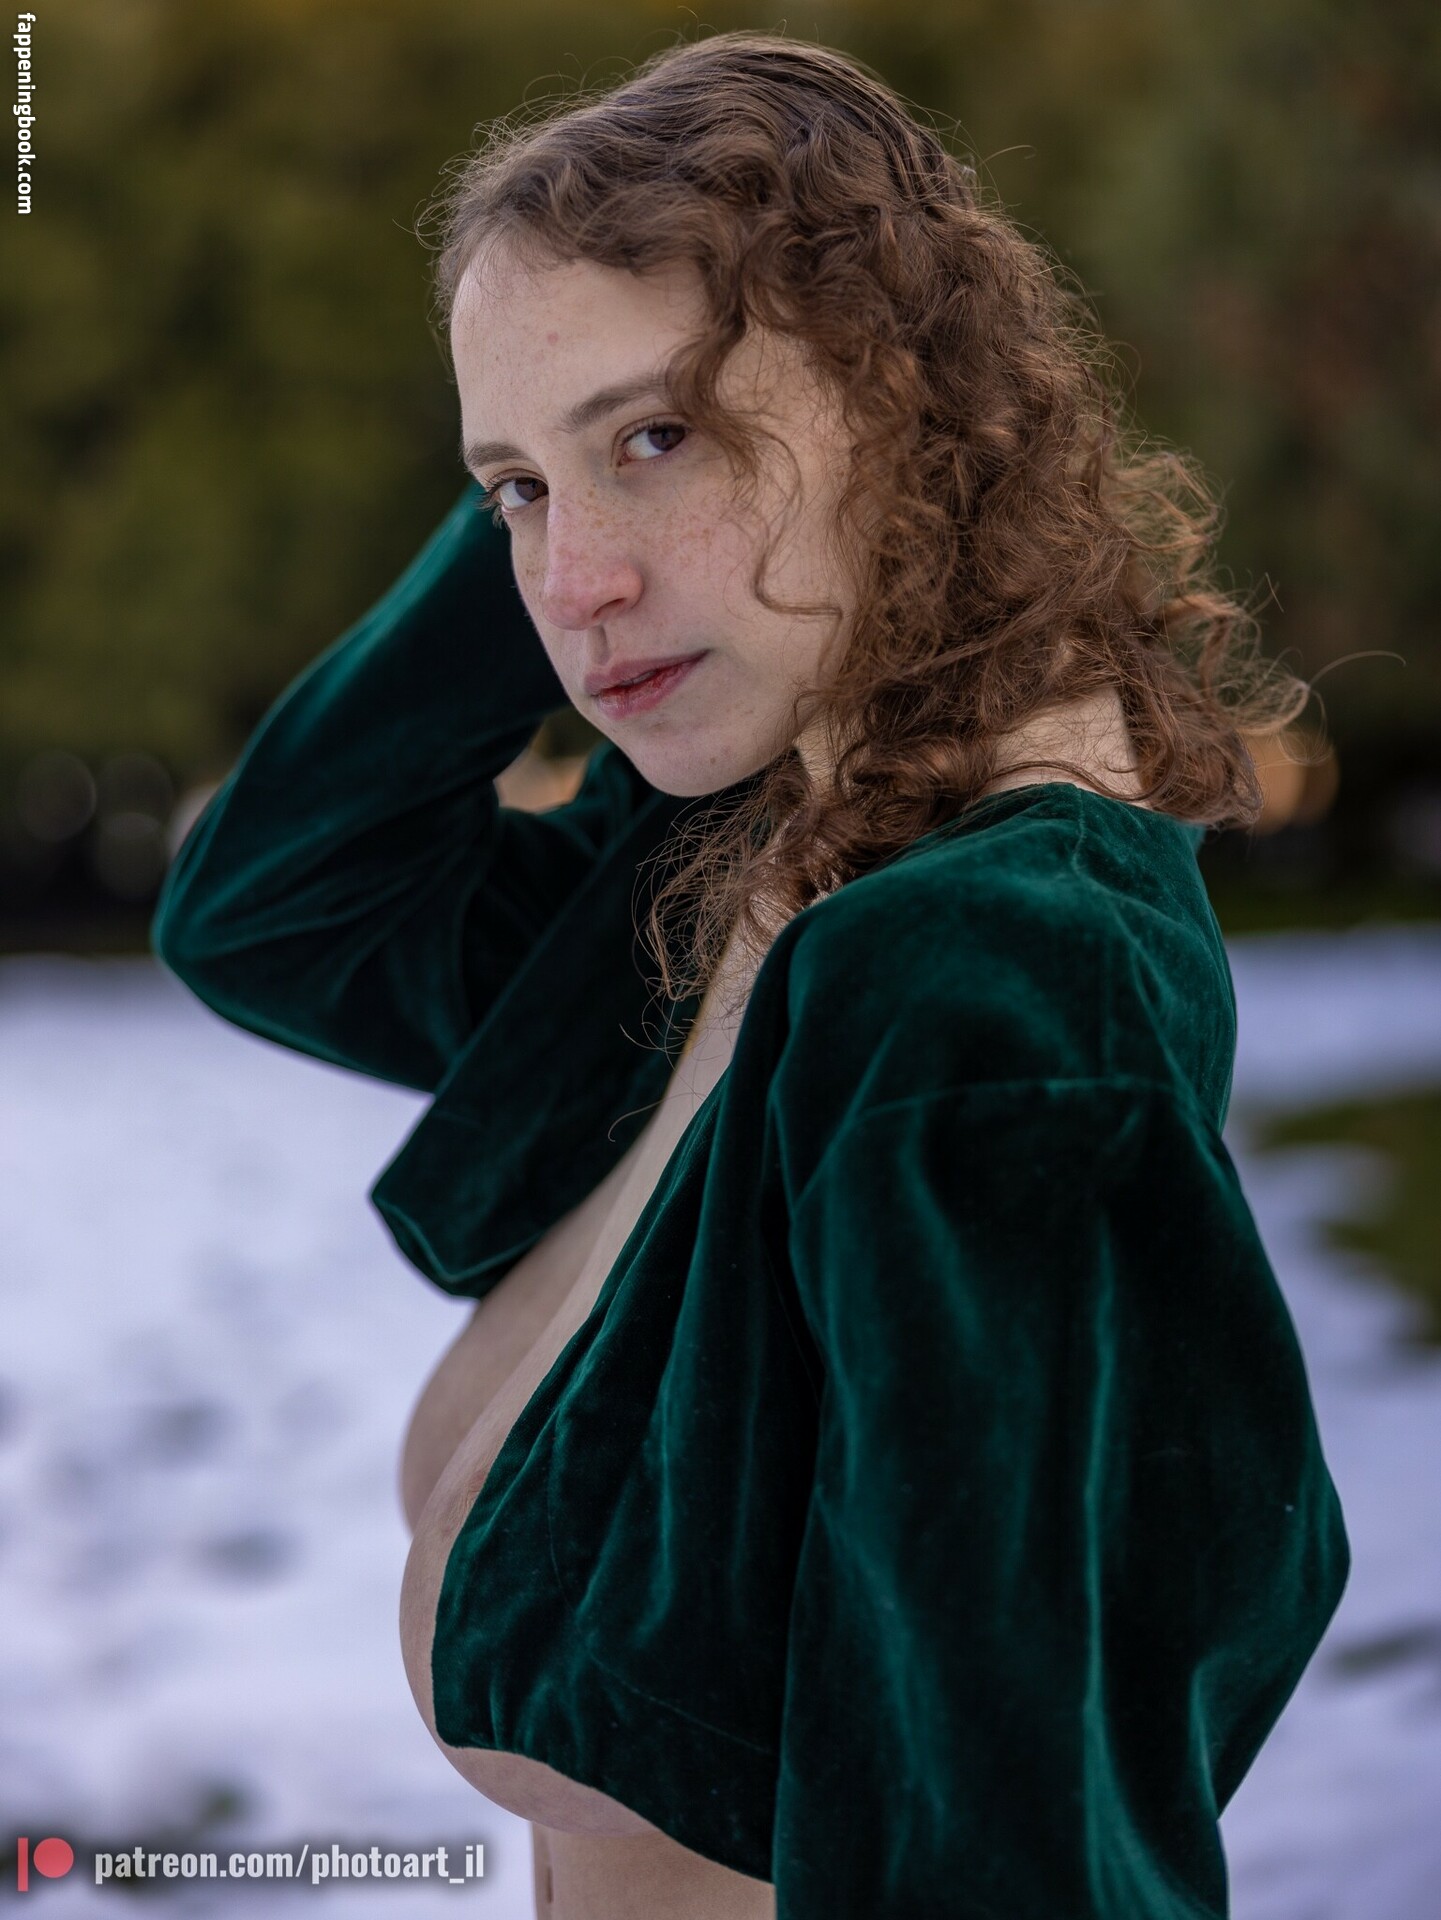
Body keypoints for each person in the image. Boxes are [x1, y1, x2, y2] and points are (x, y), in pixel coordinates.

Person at [151, 30, 1351, 1920]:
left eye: (660, 434)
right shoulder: (742, 854)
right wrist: (573, 437)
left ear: (902, 399)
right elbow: (276, 904)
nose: (569, 583)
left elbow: (1011, 1837)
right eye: (511, 492)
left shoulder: (991, 976)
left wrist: (595, 477)